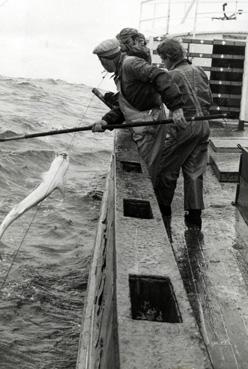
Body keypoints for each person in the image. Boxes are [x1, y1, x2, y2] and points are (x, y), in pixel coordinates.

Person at [91, 32, 186, 186]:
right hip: (141, 127)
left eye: (101, 61)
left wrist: (176, 108)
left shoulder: (130, 64)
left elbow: (160, 76)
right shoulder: (121, 71)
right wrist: (105, 121)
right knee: (146, 169)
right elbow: (125, 105)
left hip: (150, 126)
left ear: (107, 59)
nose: (102, 66)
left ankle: (157, 204)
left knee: (147, 172)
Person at [155, 38, 213, 231]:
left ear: (169, 57)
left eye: (163, 59)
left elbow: (160, 100)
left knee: (167, 169)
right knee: (195, 172)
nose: (163, 63)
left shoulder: (171, 75)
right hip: (204, 124)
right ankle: (194, 219)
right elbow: (209, 100)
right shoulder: (199, 71)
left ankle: (164, 213)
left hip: (184, 126)